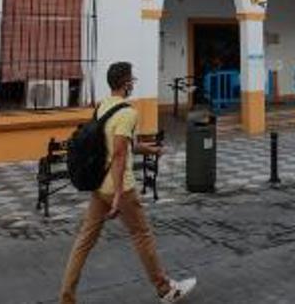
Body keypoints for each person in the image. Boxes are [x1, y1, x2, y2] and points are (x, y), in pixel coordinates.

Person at [60, 62, 196, 304]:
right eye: (131, 80)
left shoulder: (103, 106)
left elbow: (115, 144)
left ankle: (66, 298)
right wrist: (118, 195)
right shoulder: (128, 113)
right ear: (125, 83)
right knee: (141, 234)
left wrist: (146, 149)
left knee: (84, 241)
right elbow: (120, 154)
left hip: (100, 185)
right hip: (119, 188)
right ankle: (165, 289)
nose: (133, 83)